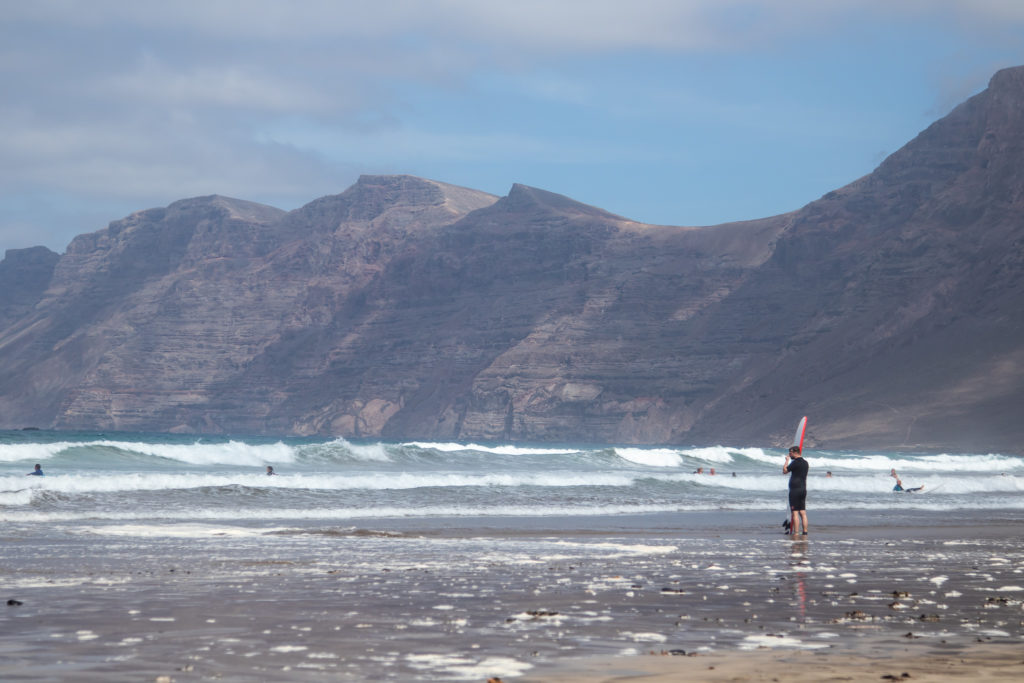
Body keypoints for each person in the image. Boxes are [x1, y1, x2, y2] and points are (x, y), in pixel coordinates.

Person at [783, 446, 809, 535]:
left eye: (790, 453)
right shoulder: (806, 463)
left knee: (795, 512)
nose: (789, 455)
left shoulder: (795, 462)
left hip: (795, 490)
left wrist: (786, 461)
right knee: (802, 512)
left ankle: (796, 533)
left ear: (795, 452)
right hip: (803, 489)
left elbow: (785, 471)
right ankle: (805, 532)